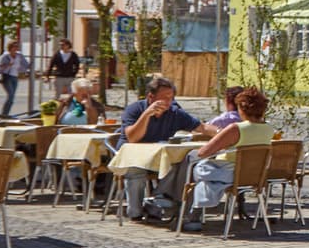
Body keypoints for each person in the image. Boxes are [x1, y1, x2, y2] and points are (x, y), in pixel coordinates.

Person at [112, 76, 203, 220]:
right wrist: (147, 114)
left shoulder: (174, 112)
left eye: (171, 97)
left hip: (157, 156)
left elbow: (201, 127)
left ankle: (157, 199)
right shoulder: (134, 109)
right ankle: (135, 213)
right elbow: (133, 138)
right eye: (165, 97)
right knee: (136, 171)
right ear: (150, 96)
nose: (169, 101)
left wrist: (223, 133)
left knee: (181, 162)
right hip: (131, 156)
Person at [184, 87, 273, 227]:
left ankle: (191, 213)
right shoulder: (268, 129)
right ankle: (194, 213)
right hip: (253, 175)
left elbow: (203, 152)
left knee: (196, 164)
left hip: (228, 173)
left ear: (241, 108)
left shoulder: (236, 128)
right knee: (206, 174)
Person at [0, 46, 30, 115]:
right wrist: (8, 65)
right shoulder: (6, 56)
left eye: (16, 47)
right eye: (14, 47)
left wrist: (24, 69)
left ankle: (6, 113)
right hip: (7, 76)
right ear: (10, 48)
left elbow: (25, 64)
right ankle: (4, 113)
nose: (15, 48)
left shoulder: (19, 55)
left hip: (15, 77)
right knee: (11, 95)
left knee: (12, 97)